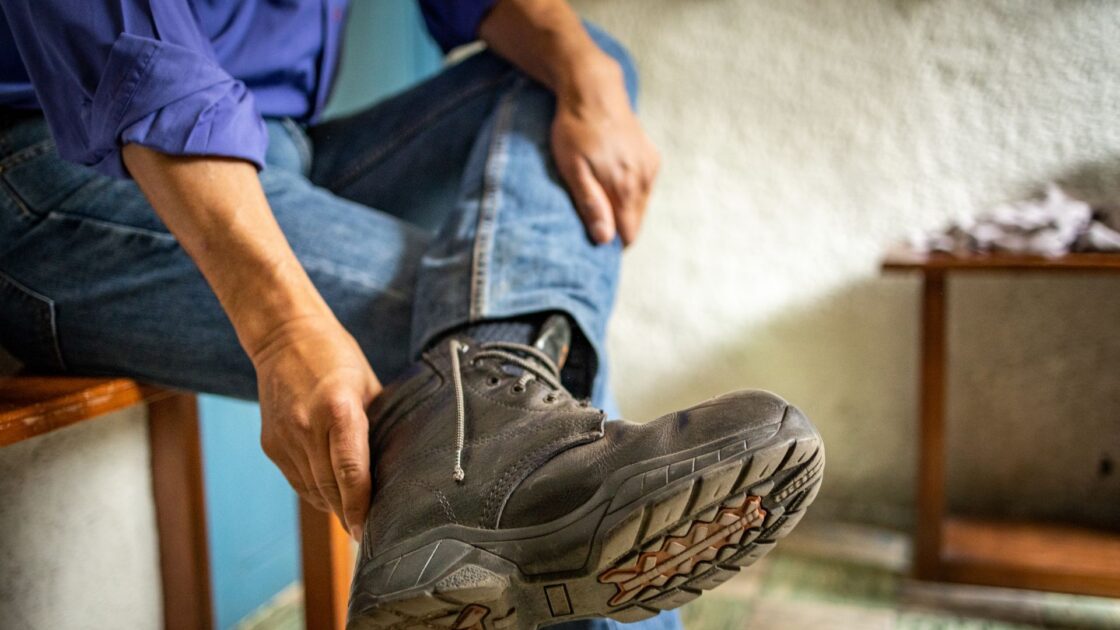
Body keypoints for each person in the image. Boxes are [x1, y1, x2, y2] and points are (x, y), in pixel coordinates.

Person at [0, 1, 824, 628]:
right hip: (55, 168)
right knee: (501, 390)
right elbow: (132, 54)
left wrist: (592, 77)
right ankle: (490, 453)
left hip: (288, 148)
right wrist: (283, 323)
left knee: (568, 73)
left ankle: (475, 467)